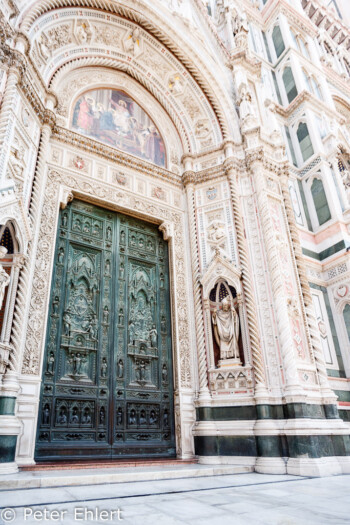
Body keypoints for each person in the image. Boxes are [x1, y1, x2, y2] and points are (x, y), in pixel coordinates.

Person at [212, 296, 240, 361]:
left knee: (233, 342)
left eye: (226, 305)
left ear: (228, 306)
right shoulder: (219, 313)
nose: (225, 307)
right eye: (224, 305)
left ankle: (233, 355)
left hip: (231, 332)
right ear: (222, 306)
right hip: (222, 332)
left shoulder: (230, 313)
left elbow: (235, 320)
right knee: (223, 344)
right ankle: (224, 356)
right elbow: (215, 321)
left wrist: (234, 313)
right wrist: (214, 314)